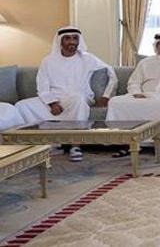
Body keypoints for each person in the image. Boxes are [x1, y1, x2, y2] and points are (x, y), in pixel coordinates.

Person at [16, 26, 117, 161]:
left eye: (75, 38)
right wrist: (52, 103)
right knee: (22, 106)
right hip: (52, 98)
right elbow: (42, 85)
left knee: (78, 100)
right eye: (67, 38)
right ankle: (51, 144)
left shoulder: (87, 59)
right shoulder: (48, 61)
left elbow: (111, 73)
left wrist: (106, 96)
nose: (72, 42)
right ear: (60, 41)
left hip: (78, 97)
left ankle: (75, 146)